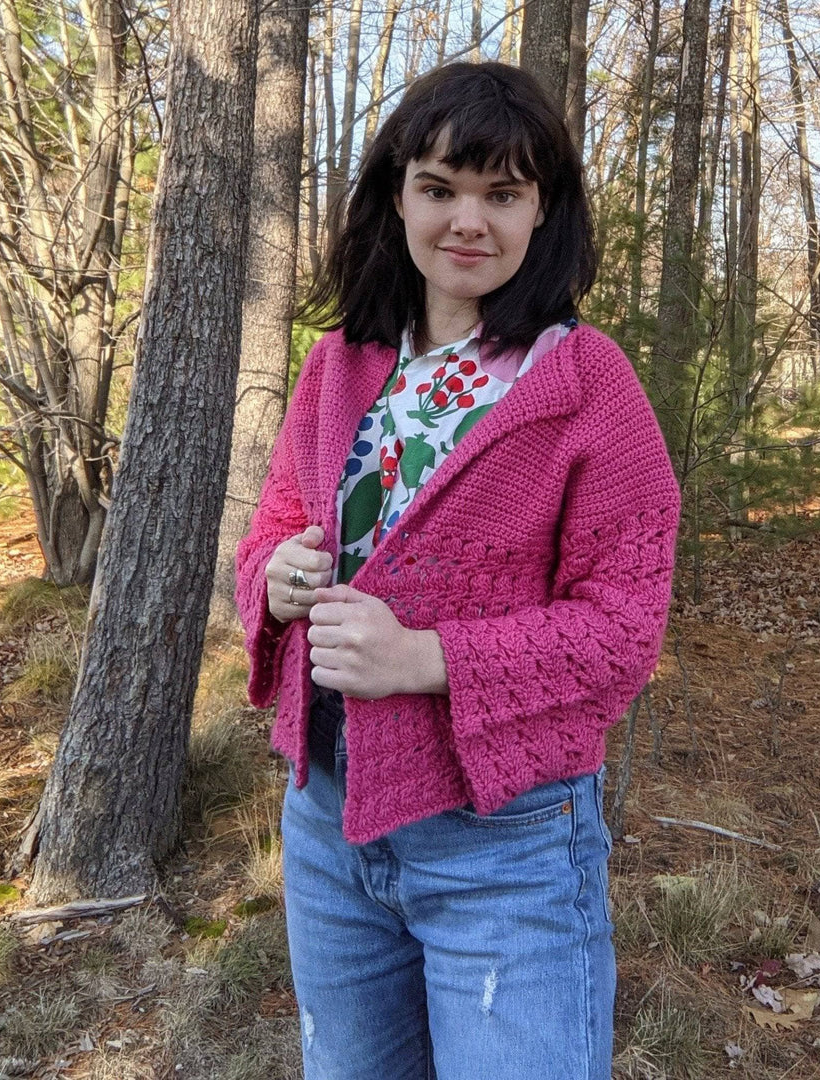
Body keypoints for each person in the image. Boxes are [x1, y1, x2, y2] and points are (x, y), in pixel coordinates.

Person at [235, 61, 680, 1080]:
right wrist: (273, 579)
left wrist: (425, 656)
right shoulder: (340, 364)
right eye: (440, 187)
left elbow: (622, 634)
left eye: (503, 193)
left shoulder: (584, 384)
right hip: (327, 823)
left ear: (543, 212)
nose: (467, 220)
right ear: (397, 197)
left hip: (506, 840)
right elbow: (273, 530)